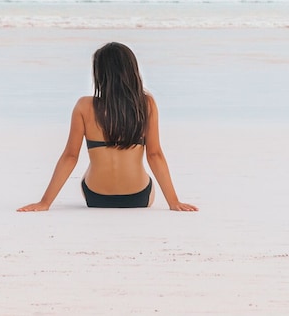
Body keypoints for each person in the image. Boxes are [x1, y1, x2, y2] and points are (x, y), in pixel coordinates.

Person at [18, 42, 198, 212]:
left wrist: (45, 202)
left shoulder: (84, 106)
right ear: (132, 71)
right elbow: (154, 154)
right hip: (138, 196)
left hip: (96, 197)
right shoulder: (146, 104)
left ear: (99, 74)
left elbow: (70, 157)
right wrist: (174, 202)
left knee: (91, 167)